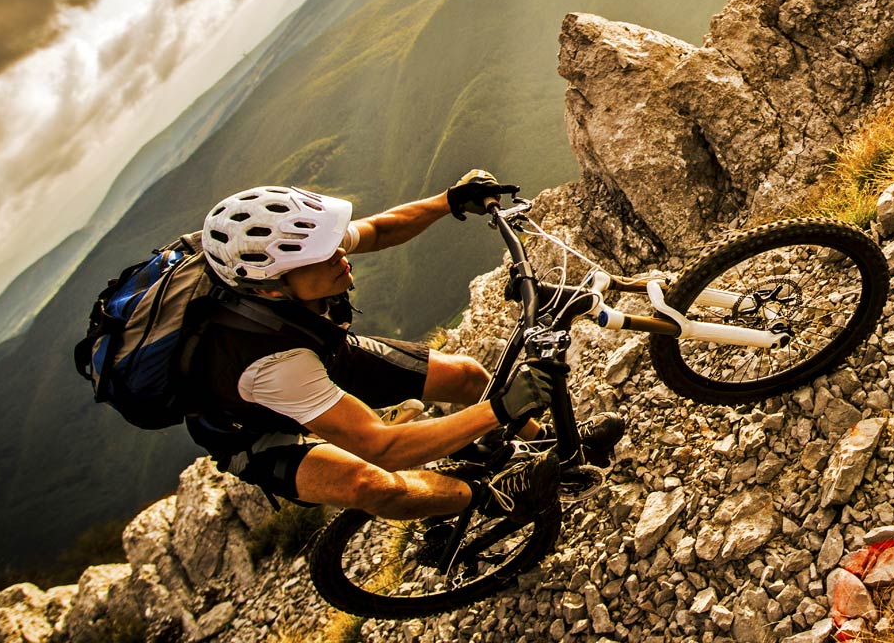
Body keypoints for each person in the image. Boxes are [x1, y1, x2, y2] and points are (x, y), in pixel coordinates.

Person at [184, 171, 624, 523]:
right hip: (251, 430)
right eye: (322, 257)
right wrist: (499, 411)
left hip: (317, 350)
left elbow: (377, 230)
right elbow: (382, 448)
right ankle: (496, 497)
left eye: (332, 245)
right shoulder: (274, 364)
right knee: (374, 487)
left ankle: (543, 446)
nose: (341, 257)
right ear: (272, 290)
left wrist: (449, 200)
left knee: (468, 377)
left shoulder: (286, 259)